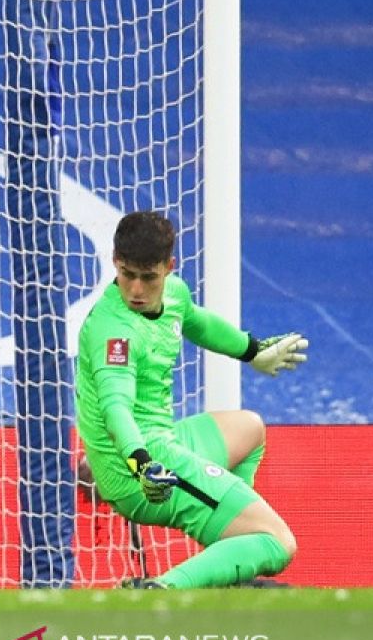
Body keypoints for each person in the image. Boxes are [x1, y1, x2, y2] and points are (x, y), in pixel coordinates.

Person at [75, 211, 307, 589]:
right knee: (277, 542)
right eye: (126, 274)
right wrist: (141, 465)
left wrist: (252, 351)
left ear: (169, 268)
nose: (135, 289)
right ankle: (159, 591)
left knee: (250, 429)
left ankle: (229, 546)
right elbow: (115, 408)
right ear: (115, 262)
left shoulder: (175, 293)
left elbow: (197, 322)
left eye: (148, 277)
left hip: (164, 439)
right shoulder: (113, 331)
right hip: (140, 469)